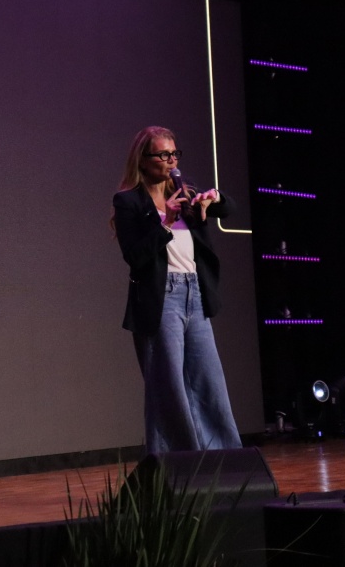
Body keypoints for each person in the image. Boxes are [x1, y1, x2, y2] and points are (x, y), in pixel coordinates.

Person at [111, 126, 241, 454]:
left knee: (209, 383)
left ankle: (226, 463)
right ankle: (181, 464)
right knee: (169, 388)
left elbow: (229, 208)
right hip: (162, 299)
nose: (171, 161)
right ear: (143, 160)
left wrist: (214, 198)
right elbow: (135, 257)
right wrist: (165, 222)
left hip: (194, 294)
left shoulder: (185, 193)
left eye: (174, 153)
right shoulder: (128, 201)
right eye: (163, 154)